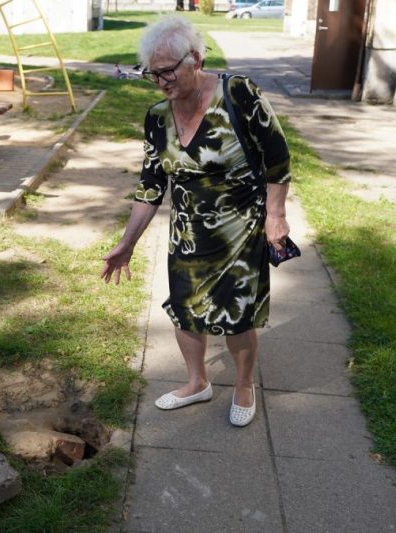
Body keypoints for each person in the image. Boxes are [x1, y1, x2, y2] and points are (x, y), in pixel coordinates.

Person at [101, 16, 292, 427]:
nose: (161, 81)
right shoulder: (157, 117)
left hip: (241, 231)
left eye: (168, 71)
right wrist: (127, 243)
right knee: (185, 310)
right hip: (188, 235)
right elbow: (151, 185)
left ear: (197, 60)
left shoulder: (238, 93)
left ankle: (243, 385)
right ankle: (197, 382)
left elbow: (278, 158)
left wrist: (275, 215)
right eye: (153, 73)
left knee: (236, 314)